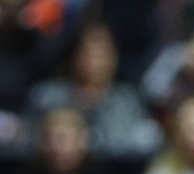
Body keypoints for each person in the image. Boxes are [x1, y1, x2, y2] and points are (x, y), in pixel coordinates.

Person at [24, 21, 163, 165]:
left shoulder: (128, 100)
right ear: (73, 55)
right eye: (88, 52)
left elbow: (141, 143)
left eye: (103, 53)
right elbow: (27, 141)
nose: (95, 61)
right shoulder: (48, 97)